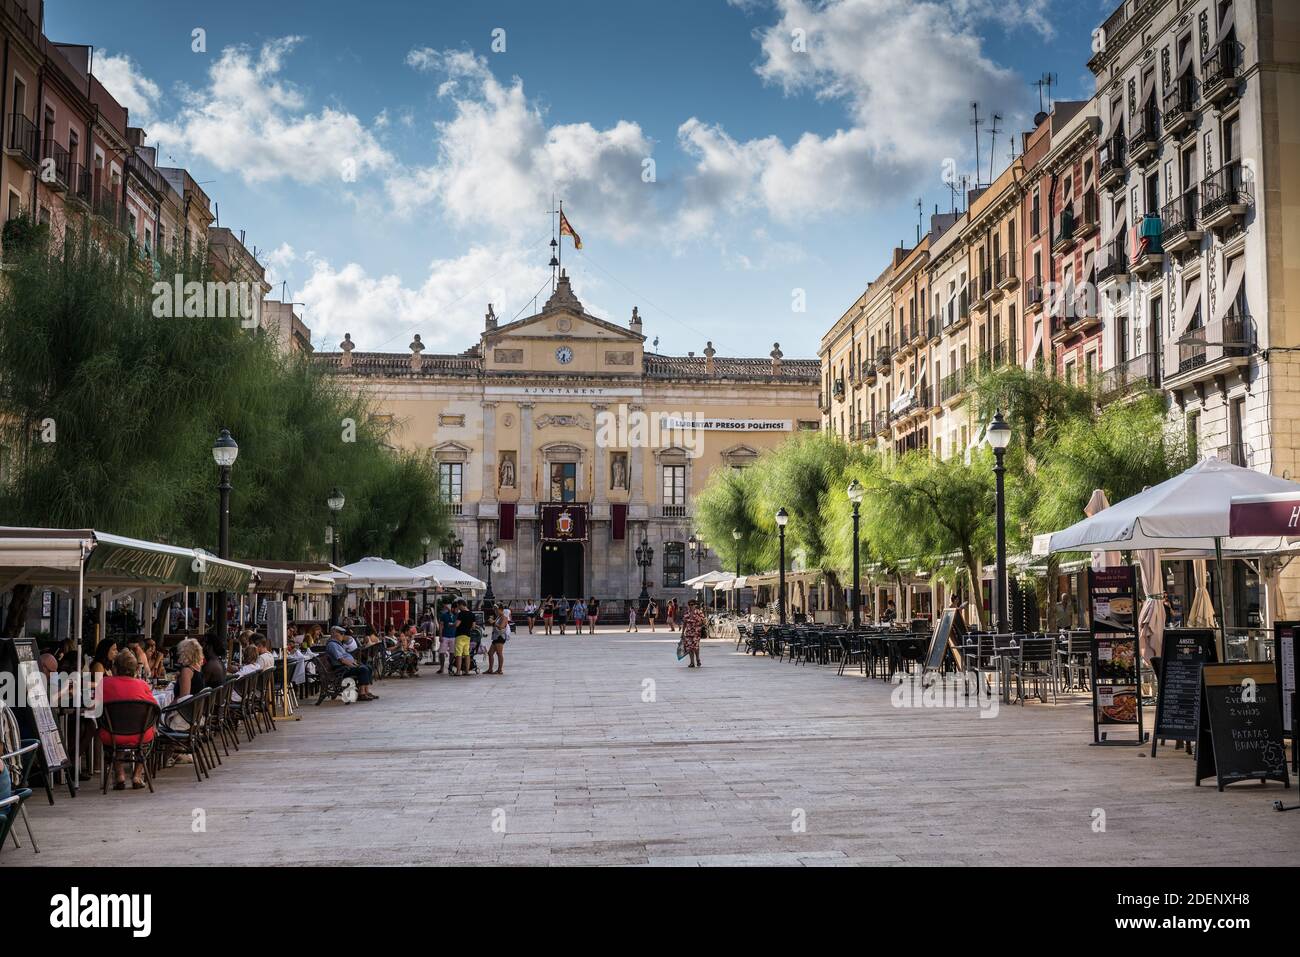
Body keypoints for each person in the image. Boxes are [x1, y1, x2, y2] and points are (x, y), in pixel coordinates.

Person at [99, 650, 156, 790]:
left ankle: (120, 775)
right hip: (140, 735)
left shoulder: (104, 683)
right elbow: (155, 708)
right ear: (136, 669)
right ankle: (137, 775)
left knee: (114, 732)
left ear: (115, 667)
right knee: (148, 734)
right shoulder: (142, 685)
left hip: (112, 735)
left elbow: (93, 707)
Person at [324, 625, 377, 701]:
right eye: (341, 634)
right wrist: (353, 665)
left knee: (368, 667)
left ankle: (366, 691)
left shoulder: (337, 643)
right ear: (335, 634)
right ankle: (361, 693)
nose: (343, 635)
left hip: (345, 666)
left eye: (343, 634)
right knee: (363, 669)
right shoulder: (332, 645)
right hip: (341, 669)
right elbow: (341, 659)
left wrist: (354, 663)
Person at [680, 599, 706, 669]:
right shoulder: (686, 613)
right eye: (689, 605)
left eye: (692, 605)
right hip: (688, 633)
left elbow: (703, 621)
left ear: (695, 605)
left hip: (696, 632)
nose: (691, 606)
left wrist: (696, 619)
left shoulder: (699, 612)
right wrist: (682, 633)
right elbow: (684, 623)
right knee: (689, 648)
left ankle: (697, 659)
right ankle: (692, 662)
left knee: (696, 647)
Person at [454, 600, 477, 676]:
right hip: (467, 636)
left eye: (458, 606)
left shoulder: (461, 614)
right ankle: (467, 671)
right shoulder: (472, 614)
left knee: (458, 654)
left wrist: (452, 624)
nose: (458, 608)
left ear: (461, 605)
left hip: (460, 635)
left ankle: (458, 671)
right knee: (467, 653)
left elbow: (457, 624)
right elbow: (473, 627)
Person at [486, 604, 508, 675]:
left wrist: (494, 622)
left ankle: (499, 670)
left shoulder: (504, 617)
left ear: (500, 609)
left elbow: (501, 627)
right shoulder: (499, 616)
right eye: (494, 609)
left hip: (500, 636)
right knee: (490, 653)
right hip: (496, 636)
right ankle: (490, 669)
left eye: (496, 609)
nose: (495, 611)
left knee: (499, 653)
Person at [438, 601, 457, 674]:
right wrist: (440, 635)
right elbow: (441, 626)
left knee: (452, 653)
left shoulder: (457, 615)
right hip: (445, 635)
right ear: (452, 608)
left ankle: (450, 667)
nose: (457, 610)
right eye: (456, 609)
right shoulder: (444, 615)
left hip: (454, 636)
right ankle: (442, 667)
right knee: (441, 652)